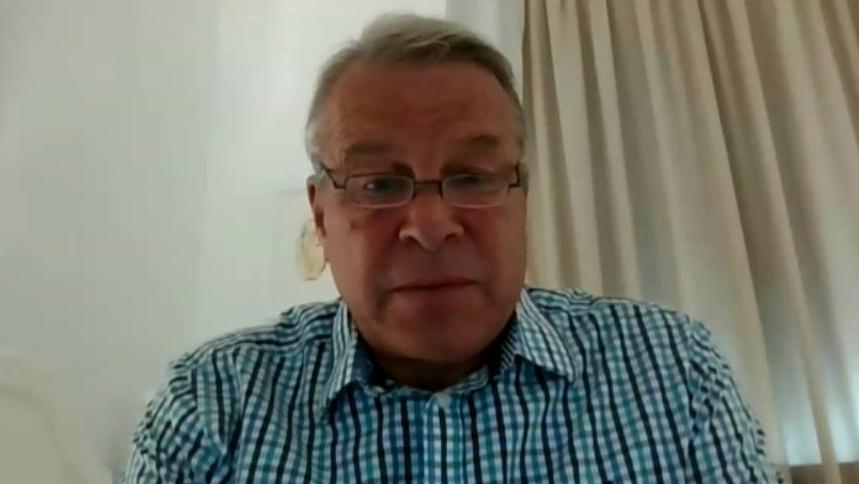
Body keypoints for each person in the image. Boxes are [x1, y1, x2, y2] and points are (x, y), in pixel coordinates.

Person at [123, 14, 781, 483]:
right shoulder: (212, 404)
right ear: (321, 214)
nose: (431, 226)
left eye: (472, 178)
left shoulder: (671, 371)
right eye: (379, 183)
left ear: (521, 196)